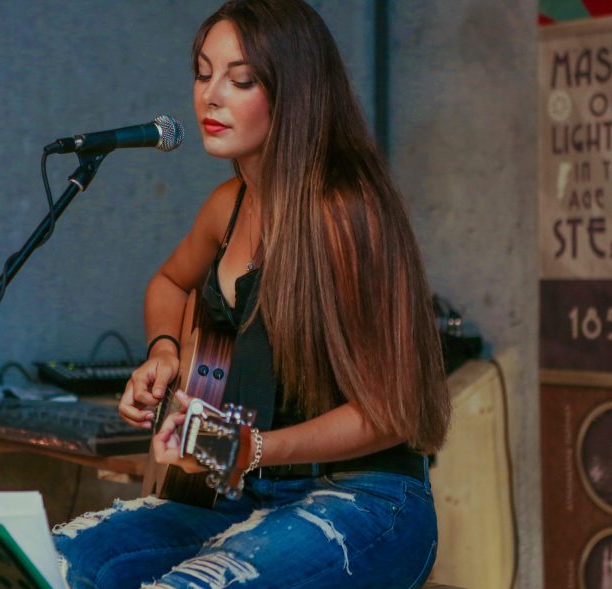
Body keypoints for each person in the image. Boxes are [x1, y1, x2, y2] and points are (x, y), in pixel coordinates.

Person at [52, 1, 451, 587]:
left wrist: (254, 447)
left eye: (239, 79)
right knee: (49, 562)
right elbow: (168, 283)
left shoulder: (345, 214)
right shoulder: (227, 205)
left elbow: (392, 413)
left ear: (296, 93)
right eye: (203, 71)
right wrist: (163, 351)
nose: (210, 95)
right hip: (238, 498)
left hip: (365, 498)